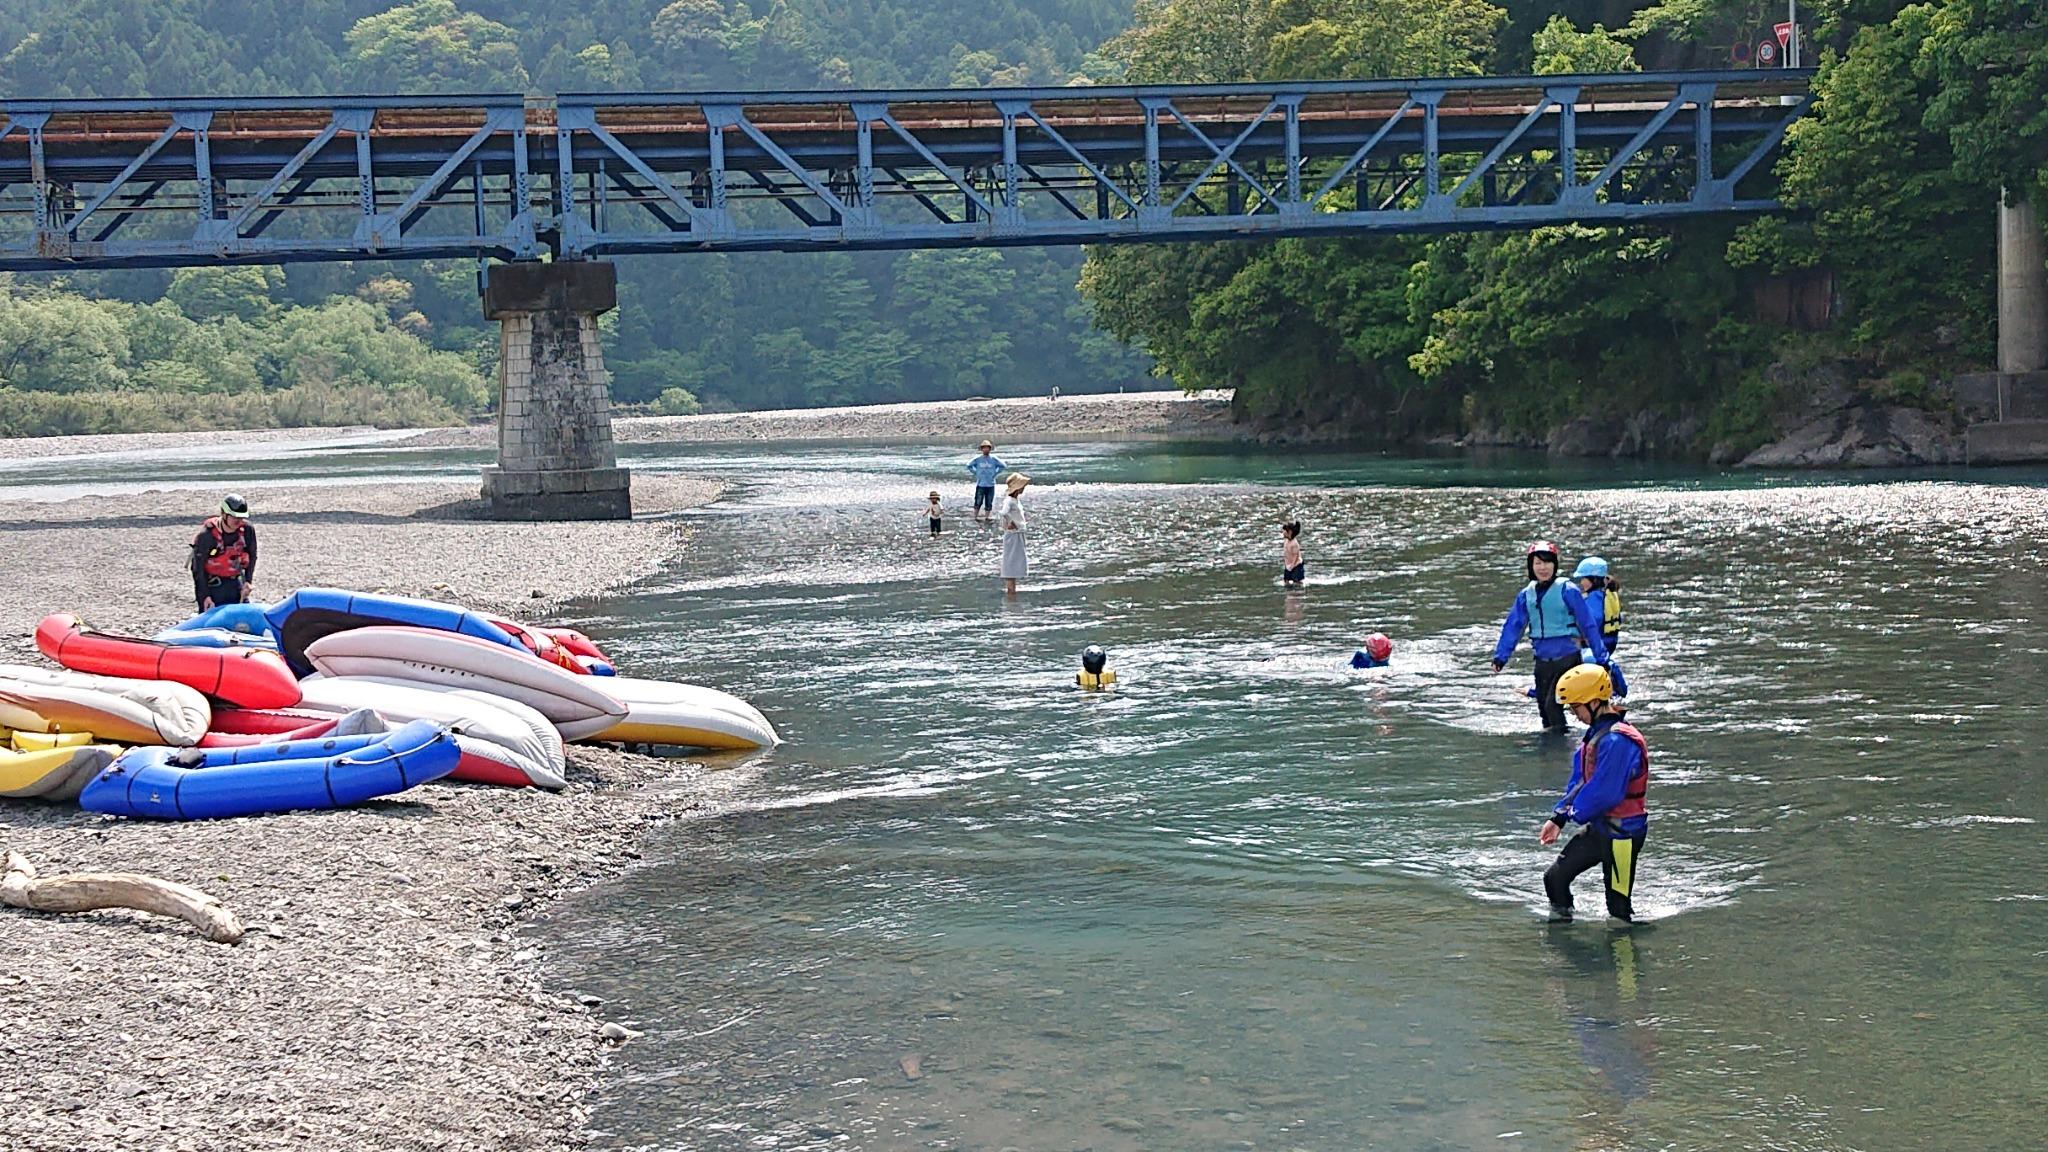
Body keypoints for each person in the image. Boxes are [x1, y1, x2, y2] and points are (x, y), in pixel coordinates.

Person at [1538, 664, 1649, 923]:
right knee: (1555, 878)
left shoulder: (1618, 741)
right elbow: (1580, 779)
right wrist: (1559, 817)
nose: (1574, 714)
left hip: (1623, 835)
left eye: (1576, 707)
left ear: (1595, 702)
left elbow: (1606, 792)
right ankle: (1563, 932)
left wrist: (1575, 814)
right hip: (1600, 829)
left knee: (1618, 909)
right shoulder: (1596, 736)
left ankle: (1624, 955)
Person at [1492, 541, 1609, 732]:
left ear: (1555, 565)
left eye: (1547, 562)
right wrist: (1501, 657)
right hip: (1542, 660)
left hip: (1568, 658)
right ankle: (1553, 751)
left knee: (1552, 706)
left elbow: (1587, 624)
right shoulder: (1526, 595)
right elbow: (1513, 626)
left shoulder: (1568, 590)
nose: (1543, 568)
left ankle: (1561, 751)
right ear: (1531, 566)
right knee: (1544, 711)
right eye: (1538, 563)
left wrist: (1601, 656)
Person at [190, 493, 257, 612]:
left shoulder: (247, 530)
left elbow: (252, 556)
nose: (239, 521)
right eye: (234, 517)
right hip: (214, 586)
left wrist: (248, 581)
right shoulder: (207, 536)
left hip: (236, 584)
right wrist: (204, 597)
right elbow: (197, 569)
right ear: (223, 514)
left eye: (241, 517)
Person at [1572, 556, 1624, 654]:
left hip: (1595, 647)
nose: (1581, 582)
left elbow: (1591, 623)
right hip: (1610, 644)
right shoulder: (1609, 594)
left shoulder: (1593, 598)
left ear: (1594, 580)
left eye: (1584, 578)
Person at [999, 472, 1030, 596]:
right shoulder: (1009, 500)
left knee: (1016, 561)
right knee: (1011, 561)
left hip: (1017, 533)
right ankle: (1011, 591)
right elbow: (1003, 513)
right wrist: (1011, 522)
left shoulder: (1015, 500)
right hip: (1013, 534)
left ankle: (1012, 591)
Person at [967, 440, 1005, 523]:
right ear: (981, 449)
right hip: (981, 484)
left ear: (990, 449)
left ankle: (987, 517)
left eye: (987, 448)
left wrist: (995, 473)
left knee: (989, 501)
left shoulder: (993, 459)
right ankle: (975, 516)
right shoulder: (978, 459)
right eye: (984, 448)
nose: (986, 450)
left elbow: (1003, 466)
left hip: (990, 484)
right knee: (978, 501)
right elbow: (969, 465)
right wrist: (976, 472)